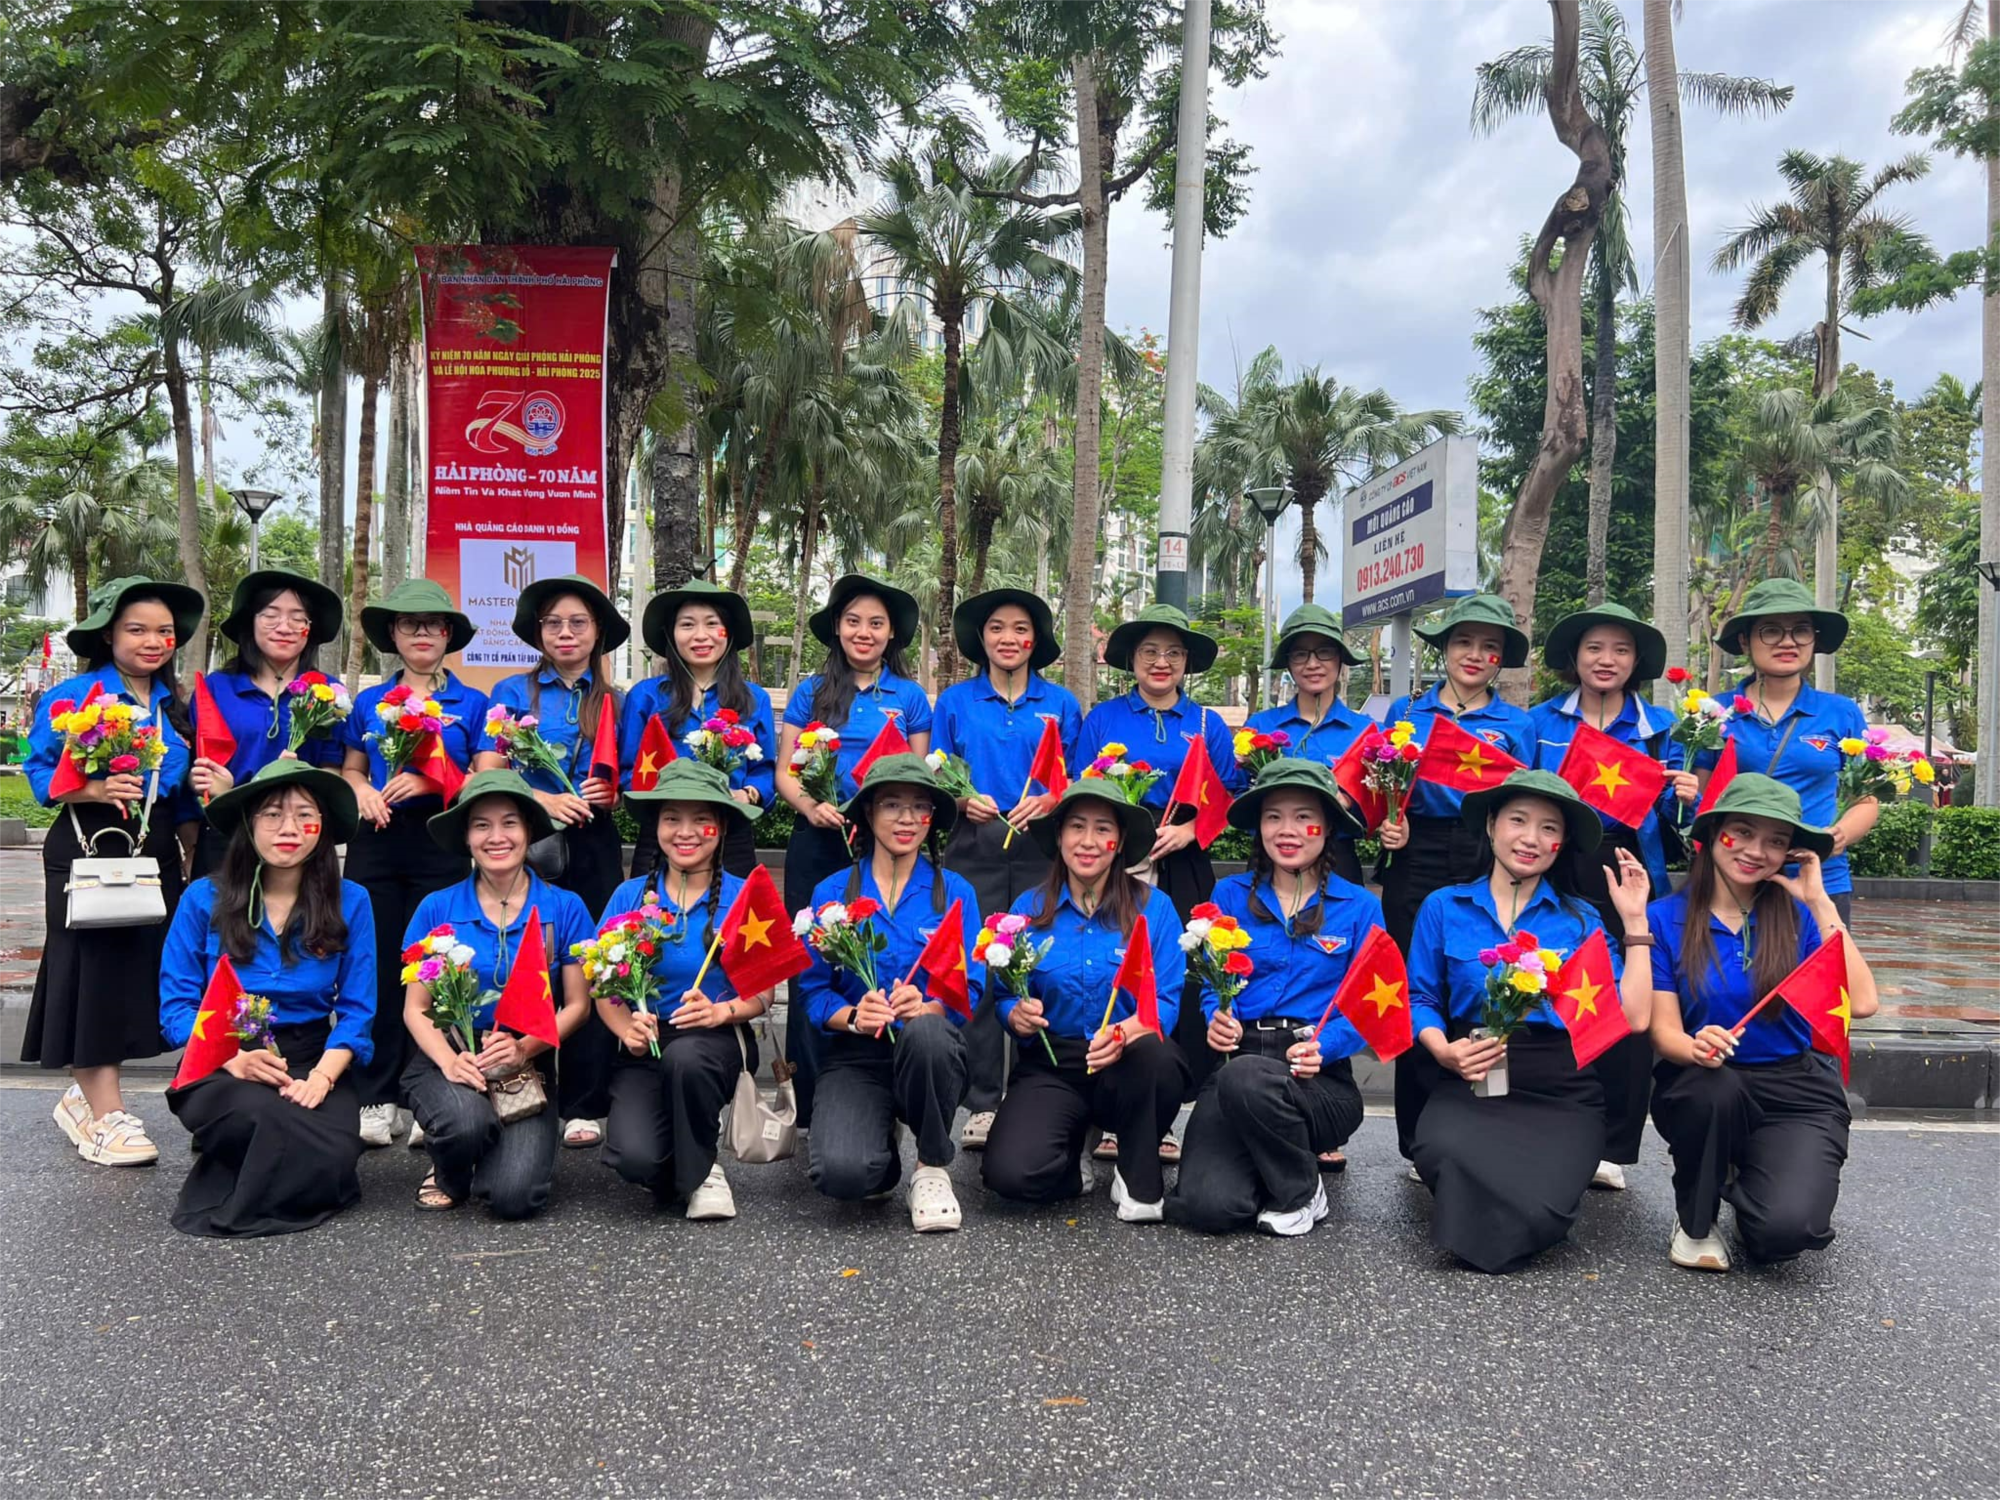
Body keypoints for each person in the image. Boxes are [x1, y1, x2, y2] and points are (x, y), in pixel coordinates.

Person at [1405, 770, 1654, 1273]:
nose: (1531, 838)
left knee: (1543, 1209)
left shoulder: (1580, 920)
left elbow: (1634, 1015)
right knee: (1438, 1150)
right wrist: (1442, 1050)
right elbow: (1420, 997)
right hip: (1475, 1077)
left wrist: (1634, 922)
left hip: (1561, 1090)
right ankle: (1486, 1205)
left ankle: (1509, 1209)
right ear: (1492, 825)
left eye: (1549, 828)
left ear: (1561, 844)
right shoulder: (1444, 907)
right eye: (1518, 820)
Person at [1646, 775, 1878, 1272]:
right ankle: (1696, 1218)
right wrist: (1695, 1047)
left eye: (1775, 841)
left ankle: (1743, 1174)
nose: (1756, 851)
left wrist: (1818, 901)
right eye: (1743, 833)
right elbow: (1664, 1034)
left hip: (1795, 1088)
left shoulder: (1798, 915)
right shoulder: (1664, 919)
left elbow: (1862, 1002)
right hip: (1707, 1081)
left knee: (1784, 1234)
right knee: (1713, 1091)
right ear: (1713, 836)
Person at [25, 577, 206, 1167]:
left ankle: (84, 1099)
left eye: (164, 632)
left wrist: (191, 855)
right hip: (87, 846)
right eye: (137, 629)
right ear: (108, 634)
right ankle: (107, 1117)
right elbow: (38, 775)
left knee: (143, 973)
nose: (153, 641)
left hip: (155, 852)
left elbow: (183, 797)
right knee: (94, 974)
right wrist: (95, 788)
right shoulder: (76, 696)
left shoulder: (178, 706)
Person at [158, 762, 375, 1236]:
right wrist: (232, 1057)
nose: (290, 829)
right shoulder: (202, 899)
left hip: (311, 1056)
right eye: (273, 814)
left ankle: (258, 1162)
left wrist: (321, 1078)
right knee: (268, 1118)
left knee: (338, 1147)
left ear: (322, 827)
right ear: (249, 823)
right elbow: (176, 1009)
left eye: (305, 815)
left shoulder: (352, 900)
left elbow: (358, 1011)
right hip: (222, 1059)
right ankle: (266, 1163)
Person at [1168, 760, 1380, 1236]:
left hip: (1317, 1080)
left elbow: (1373, 1004)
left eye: (1304, 817)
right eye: (1273, 817)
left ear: (1327, 827)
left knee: (1249, 1077)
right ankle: (1269, 1169)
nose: (1287, 830)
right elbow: (1214, 979)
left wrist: (1328, 1045)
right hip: (1236, 1067)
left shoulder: (1361, 907)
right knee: (1209, 1207)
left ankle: (1301, 1190)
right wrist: (1216, 1015)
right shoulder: (1227, 895)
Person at [1529, 601, 1697, 1193]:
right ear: (1574, 657)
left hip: (1630, 870)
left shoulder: (1662, 729)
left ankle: (1612, 1144)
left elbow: (1680, 819)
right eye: (1595, 648)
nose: (1607, 660)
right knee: (1552, 987)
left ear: (1636, 661)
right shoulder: (1539, 723)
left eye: (1621, 650)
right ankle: (1550, 1120)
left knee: (1631, 999)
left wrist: (1687, 794)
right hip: (1557, 868)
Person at [981, 780, 1189, 1223]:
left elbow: (1166, 1002)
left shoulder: (1155, 908)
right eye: (1076, 827)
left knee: (1160, 1058)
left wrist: (1124, 1033)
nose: (1089, 841)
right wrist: (1016, 1015)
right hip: (1054, 1065)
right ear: (1059, 836)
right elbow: (1005, 994)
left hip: (1128, 1060)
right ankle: (1074, 1158)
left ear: (1120, 842)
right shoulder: (1028, 908)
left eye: (1103, 829)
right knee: (1010, 1175)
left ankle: (1135, 1167)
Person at [472, 573, 629, 1149]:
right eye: (553, 623)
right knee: (526, 959)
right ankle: (518, 1083)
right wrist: (541, 799)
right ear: (538, 632)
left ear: (597, 632)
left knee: (592, 963)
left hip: (594, 841)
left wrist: (614, 795)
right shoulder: (512, 692)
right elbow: (486, 771)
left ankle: (585, 1103)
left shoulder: (615, 700)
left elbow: (634, 777)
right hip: (527, 841)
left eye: (578, 623)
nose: (566, 633)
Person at [1378, 592, 1535, 1164]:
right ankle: (1416, 1135)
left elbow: (1525, 801)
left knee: (1481, 980)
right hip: (1416, 853)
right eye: (1463, 642)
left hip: (1485, 852)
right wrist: (1389, 824)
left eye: (1489, 647)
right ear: (1443, 650)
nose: (1474, 654)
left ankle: (1479, 1121)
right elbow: (1385, 788)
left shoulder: (1518, 724)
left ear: (1501, 660)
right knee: (1416, 988)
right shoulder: (1406, 715)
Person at [1075, 602, 1241, 1139]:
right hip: (1119, 858)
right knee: (1119, 965)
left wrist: (1190, 831)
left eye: (1173, 652)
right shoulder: (1104, 719)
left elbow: (1231, 797)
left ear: (1186, 662)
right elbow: (1083, 787)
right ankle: (1112, 1097)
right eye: (1150, 651)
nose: (1161, 662)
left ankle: (1163, 1106)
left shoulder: (1206, 723)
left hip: (1183, 859)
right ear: (1132, 659)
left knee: (1183, 975)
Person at [775, 574, 932, 1130]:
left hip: (882, 844)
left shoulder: (909, 698)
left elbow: (917, 776)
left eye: (876, 623)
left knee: (877, 955)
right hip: (818, 841)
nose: (864, 632)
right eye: (853, 621)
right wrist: (811, 806)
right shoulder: (812, 692)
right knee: (811, 963)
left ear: (891, 635)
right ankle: (809, 1101)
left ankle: (875, 1088)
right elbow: (785, 772)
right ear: (837, 628)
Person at [402, 771, 595, 1218]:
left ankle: (491, 1151)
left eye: (510, 823)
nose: (496, 837)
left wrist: (524, 1048)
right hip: (451, 1053)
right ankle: (449, 1167)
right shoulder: (437, 907)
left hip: (525, 1060)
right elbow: (416, 1008)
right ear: (466, 837)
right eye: (481, 825)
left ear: (529, 831)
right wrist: (449, 1061)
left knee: (514, 1197)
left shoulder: (565, 907)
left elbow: (578, 1006)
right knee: (464, 1124)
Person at [795, 755, 975, 1232]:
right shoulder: (831, 893)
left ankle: (931, 1166)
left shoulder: (956, 891)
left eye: (920, 807)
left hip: (930, 1052)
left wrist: (929, 1007)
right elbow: (813, 991)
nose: (906, 818)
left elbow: (971, 986)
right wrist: (854, 1015)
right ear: (868, 814)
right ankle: (879, 1144)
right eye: (892, 805)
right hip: (856, 1055)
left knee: (928, 1035)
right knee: (844, 1175)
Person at [930, 587, 1082, 1152]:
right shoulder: (955, 702)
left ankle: (1037, 1093)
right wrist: (959, 799)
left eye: (1021, 629)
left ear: (1036, 640)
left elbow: (1078, 777)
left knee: (1038, 968)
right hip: (974, 848)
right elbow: (934, 776)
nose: (1009, 638)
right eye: (997, 628)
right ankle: (983, 1101)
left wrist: (1052, 800)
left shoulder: (1061, 703)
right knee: (983, 970)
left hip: (1043, 851)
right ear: (981, 638)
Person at [341, 579, 488, 1148]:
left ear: (448, 635)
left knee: (438, 968)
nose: (422, 633)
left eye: (433, 624)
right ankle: (376, 1096)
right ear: (394, 636)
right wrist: (362, 791)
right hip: (377, 842)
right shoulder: (370, 701)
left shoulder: (471, 703)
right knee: (376, 967)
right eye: (409, 624)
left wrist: (431, 780)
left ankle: (432, 1096)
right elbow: (353, 768)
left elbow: (486, 777)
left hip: (440, 842)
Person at [597, 761, 772, 1221]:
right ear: (657, 826)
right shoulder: (628, 896)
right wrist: (625, 1028)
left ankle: (705, 1169)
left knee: (686, 1060)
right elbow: (600, 982)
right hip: (645, 1043)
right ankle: (682, 1156)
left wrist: (722, 1011)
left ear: (722, 827)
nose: (686, 832)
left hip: (712, 1040)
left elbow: (764, 994)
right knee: (636, 1160)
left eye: (702, 819)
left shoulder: (745, 896)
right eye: (672, 818)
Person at [1703, 579, 1876, 926]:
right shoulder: (1714, 712)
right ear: (1744, 640)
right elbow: (1702, 797)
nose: (1787, 641)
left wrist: (1839, 835)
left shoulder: (1841, 713)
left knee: (1824, 962)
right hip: (1734, 877)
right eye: (1770, 631)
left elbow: (1866, 799)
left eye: (1801, 630)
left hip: (1819, 880)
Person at [191, 569, 348, 875]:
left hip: (299, 840)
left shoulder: (329, 693)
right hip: (228, 832)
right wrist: (214, 788)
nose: (284, 627)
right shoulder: (216, 689)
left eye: (298, 618)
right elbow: (194, 771)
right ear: (250, 622)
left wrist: (302, 778)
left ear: (310, 629)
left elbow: (332, 769)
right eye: (270, 615)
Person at [621, 579, 775, 881]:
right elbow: (628, 771)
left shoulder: (755, 699)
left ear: (728, 632)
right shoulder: (646, 696)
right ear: (671, 634)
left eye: (712, 624)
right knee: (652, 910)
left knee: (733, 911)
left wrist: (748, 794)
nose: (701, 635)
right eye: (687, 625)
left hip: (731, 831)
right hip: (664, 833)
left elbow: (766, 770)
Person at [1243, 604, 1376, 885]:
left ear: (1340, 659)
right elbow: (1239, 796)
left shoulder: (1367, 732)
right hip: (1270, 859)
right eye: (1300, 654)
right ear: (1288, 663)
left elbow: (1377, 808)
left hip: (1339, 860)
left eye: (1324, 652)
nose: (1312, 664)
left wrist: (1347, 802)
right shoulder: (1260, 727)